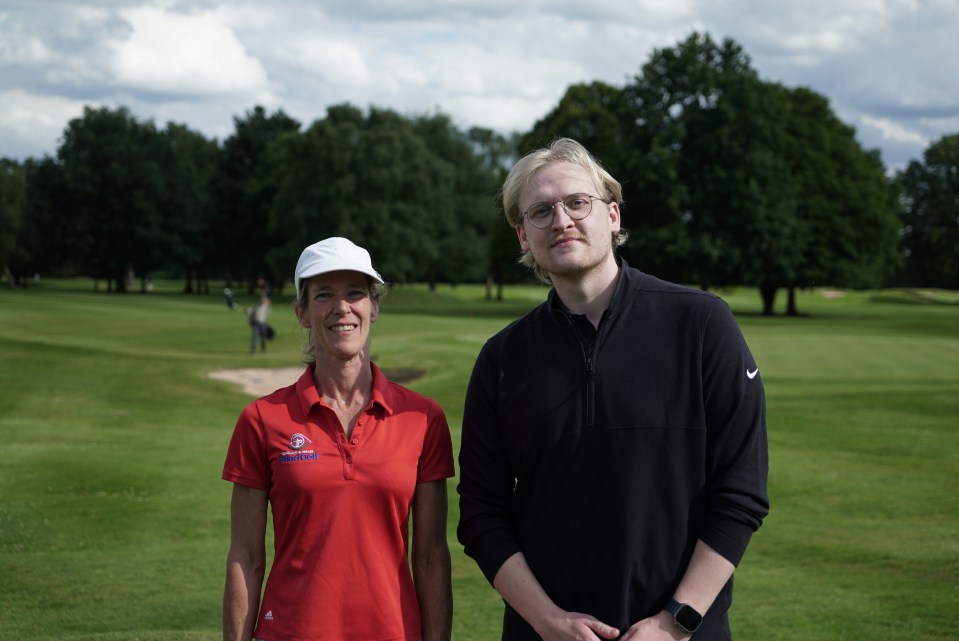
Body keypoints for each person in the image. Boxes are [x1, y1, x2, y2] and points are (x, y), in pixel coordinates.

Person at [456, 138, 769, 641]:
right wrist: (546, 620)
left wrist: (674, 623)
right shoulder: (502, 358)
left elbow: (741, 493)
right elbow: (481, 513)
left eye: (577, 202)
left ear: (613, 216)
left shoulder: (701, 324)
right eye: (540, 211)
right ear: (522, 236)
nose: (561, 220)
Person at [223, 237, 455, 641]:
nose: (341, 307)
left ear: (374, 306)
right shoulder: (261, 419)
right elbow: (246, 557)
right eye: (324, 294)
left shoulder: (423, 419)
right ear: (302, 312)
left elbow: (432, 557)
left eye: (355, 293)